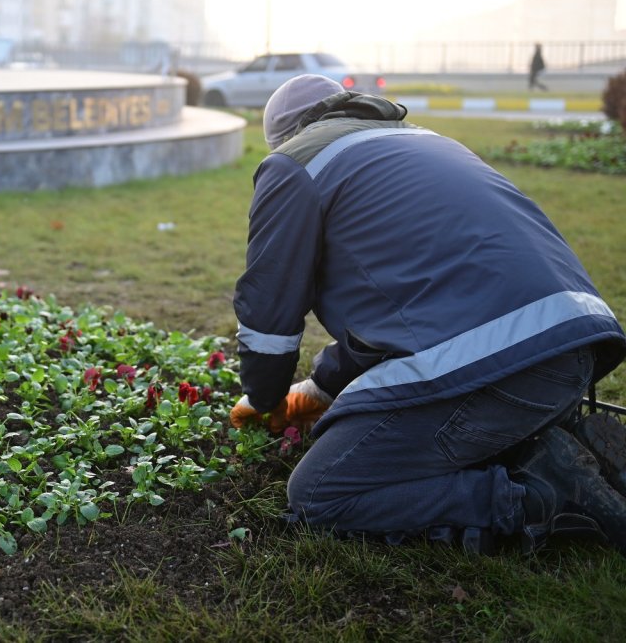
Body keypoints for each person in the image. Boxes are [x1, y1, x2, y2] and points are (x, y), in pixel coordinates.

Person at [229, 74, 626, 553]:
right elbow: (407, 305)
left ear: (286, 136)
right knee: (455, 427)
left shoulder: (295, 163)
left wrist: (265, 397)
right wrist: (321, 387)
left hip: (499, 369)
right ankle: (560, 445)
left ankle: (540, 496)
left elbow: (269, 304)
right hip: (572, 349)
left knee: (320, 491)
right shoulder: (422, 141)